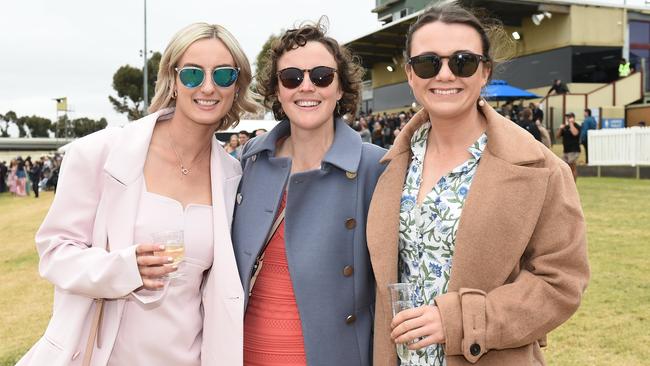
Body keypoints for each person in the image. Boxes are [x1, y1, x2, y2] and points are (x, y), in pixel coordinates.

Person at [17, 22, 257, 366]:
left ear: (237, 85)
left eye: (223, 75)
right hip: (102, 354)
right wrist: (124, 269)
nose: (207, 87)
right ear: (172, 80)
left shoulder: (233, 175)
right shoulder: (99, 153)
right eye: (192, 74)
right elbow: (54, 253)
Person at [366, 3, 589, 366]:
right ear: (410, 74)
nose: (445, 74)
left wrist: (460, 320)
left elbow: (561, 284)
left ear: (484, 71)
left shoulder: (541, 169)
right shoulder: (392, 166)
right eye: (427, 63)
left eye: (463, 61)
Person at [231, 20, 386, 366]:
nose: (306, 87)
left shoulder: (374, 166)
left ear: (341, 87)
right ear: (277, 90)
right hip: (245, 351)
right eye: (291, 78)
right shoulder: (250, 160)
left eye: (321, 76)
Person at [557, 112, 581, 181]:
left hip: (574, 150)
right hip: (566, 151)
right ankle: (567, 182)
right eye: (567, 117)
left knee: (572, 167)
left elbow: (575, 133)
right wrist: (560, 128)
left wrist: (571, 124)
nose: (567, 119)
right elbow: (558, 136)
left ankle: (573, 184)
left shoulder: (576, 126)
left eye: (569, 117)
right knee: (562, 166)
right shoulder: (565, 127)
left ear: (573, 118)